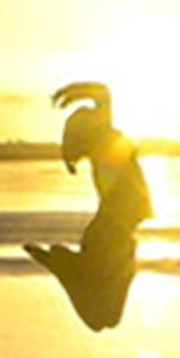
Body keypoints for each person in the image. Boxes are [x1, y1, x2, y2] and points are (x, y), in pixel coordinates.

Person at [24, 82, 153, 331]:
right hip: (118, 218)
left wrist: (71, 92)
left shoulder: (105, 135)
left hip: (119, 217)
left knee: (102, 315)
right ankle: (62, 265)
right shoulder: (102, 140)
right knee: (104, 315)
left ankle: (61, 264)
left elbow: (103, 94)